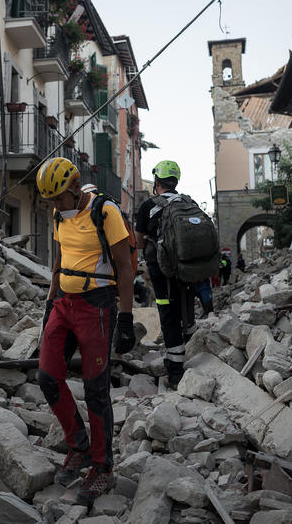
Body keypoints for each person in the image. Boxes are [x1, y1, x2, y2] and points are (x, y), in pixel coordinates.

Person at [36, 157, 135, 505]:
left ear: (75, 188)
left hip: (97, 305)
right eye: (50, 201)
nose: (55, 205)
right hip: (64, 302)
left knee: (95, 389)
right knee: (47, 376)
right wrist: (50, 304)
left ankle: (102, 467)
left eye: (59, 198)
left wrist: (125, 318)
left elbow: (124, 268)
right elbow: (59, 261)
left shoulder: (105, 212)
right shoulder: (58, 214)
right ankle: (77, 444)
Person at [134, 159, 189, 388]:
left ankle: (175, 372)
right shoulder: (187, 202)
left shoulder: (149, 206)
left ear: (157, 181)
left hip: (161, 271)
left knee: (167, 313)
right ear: (175, 181)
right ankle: (189, 345)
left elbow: (137, 243)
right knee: (185, 309)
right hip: (187, 268)